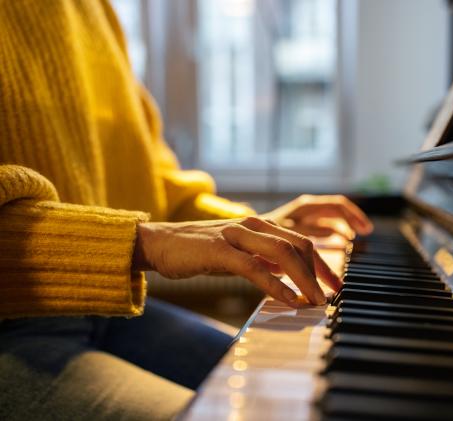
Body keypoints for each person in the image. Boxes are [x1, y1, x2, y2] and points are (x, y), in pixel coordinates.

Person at [0, 1, 373, 420]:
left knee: (303, 385)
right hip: (11, 331)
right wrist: (148, 244)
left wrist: (256, 228)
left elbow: (149, 181)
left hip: (108, 310)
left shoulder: (92, 9)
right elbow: (153, 234)